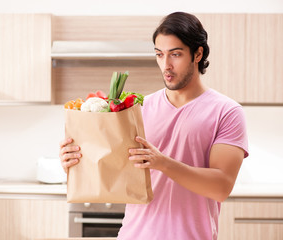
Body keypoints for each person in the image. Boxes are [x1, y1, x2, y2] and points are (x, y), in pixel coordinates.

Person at [59, 12, 248, 240]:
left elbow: (221, 187)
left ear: (198, 54)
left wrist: (163, 163)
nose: (166, 65)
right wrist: (76, 162)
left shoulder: (226, 112)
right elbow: (114, 169)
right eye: (160, 54)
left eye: (175, 54)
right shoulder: (138, 108)